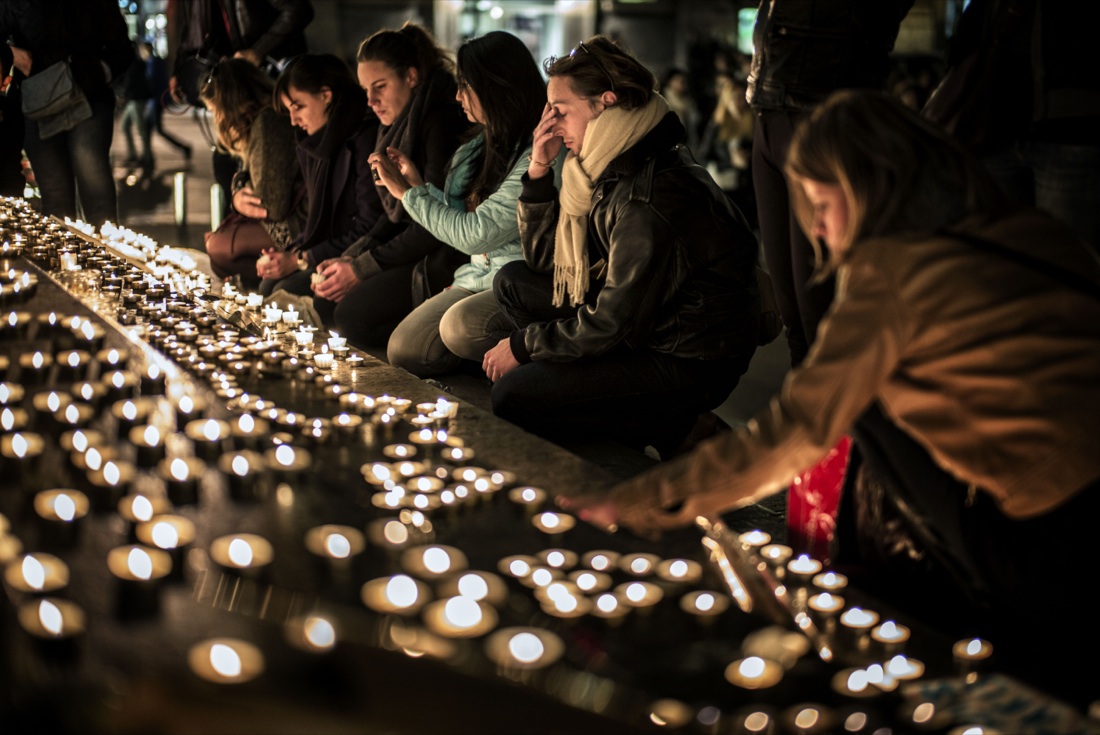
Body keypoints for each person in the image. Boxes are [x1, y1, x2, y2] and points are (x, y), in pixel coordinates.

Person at [562, 90, 1100, 707]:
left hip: (1049, 557)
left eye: (821, 202)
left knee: (856, 400)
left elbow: (797, 429)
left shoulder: (891, 273)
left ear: (873, 181)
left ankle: (933, 597)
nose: (814, 228)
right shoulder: (1025, 231)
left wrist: (638, 503)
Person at [481, 35, 761, 458]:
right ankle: (585, 389)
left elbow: (616, 324)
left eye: (560, 111)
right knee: (512, 282)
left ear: (605, 102)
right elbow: (544, 263)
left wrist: (524, 347)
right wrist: (538, 170)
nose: (550, 123)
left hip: (685, 358)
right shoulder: (606, 162)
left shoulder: (647, 195)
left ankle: (678, 425)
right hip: (647, 324)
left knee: (514, 396)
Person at [747, 0, 915, 367]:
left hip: (821, 111)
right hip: (768, 106)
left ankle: (831, 418)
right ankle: (808, 417)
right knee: (790, 311)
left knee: (818, 311)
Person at [377, 31, 555, 377]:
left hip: (516, 282)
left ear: (494, 87)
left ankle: (516, 355)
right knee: (404, 349)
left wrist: (408, 195)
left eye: (465, 85)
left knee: (458, 327)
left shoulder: (541, 152)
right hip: (476, 276)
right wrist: (418, 187)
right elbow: (460, 217)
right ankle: (485, 356)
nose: (458, 96)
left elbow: (476, 233)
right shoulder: (475, 149)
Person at [306, 23, 469, 349]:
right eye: (366, 89)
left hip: (442, 252)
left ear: (411, 77)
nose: (371, 100)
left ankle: (431, 344)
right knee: (327, 300)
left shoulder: (440, 120)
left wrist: (362, 268)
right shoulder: (396, 126)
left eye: (379, 86)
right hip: (412, 240)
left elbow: (430, 222)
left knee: (352, 315)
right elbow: (396, 214)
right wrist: (352, 258)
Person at [166, 0, 314, 214]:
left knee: (248, 157)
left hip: (264, 78)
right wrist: (178, 69)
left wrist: (258, 51)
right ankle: (236, 218)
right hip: (234, 81)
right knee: (226, 157)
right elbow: (189, 30)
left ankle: (245, 225)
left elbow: (298, 9)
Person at [257, 54, 382, 298]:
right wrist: (290, 255)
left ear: (326, 95)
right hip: (326, 249)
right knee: (268, 286)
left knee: (285, 291)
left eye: (299, 107)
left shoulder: (364, 137)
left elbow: (369, 224)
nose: (294, 120)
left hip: (354, 253)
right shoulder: (315, 142)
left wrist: (300, 259)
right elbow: (317, 220)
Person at [2, 0, 134, 228]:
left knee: (97, 200)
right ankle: (65, 261)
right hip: (38, 101)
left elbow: (121, 49)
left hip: (88, 99)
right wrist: (12, 54)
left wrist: (93, 74)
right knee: (56, 202)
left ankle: (102, 259)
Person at [199, 58, 306, 287]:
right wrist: (239, 190)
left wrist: (236, 220)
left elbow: (271, 205)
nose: (217, 120)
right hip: (285, 221)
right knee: (218, 246)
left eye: (214, 111)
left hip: (298, 225)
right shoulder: (259, 124)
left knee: (218, 248)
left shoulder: (269, 123)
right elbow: (250, 180)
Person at [140, 41, 192, 162]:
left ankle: (184, 147)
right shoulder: (156, 62)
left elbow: (152, 82)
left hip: (155, 101)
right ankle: (147, 155)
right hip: (154, 101)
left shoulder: (152, 62)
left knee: (157, 129)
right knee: (147, 128)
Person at [118, 50, 155, 176]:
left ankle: (147, 157)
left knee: (141, 129)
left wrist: (123, 95)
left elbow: (129, 81)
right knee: (125, 127)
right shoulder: (136, 63)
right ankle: (134, 154)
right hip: (133, 99)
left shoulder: (132, 64)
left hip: (136, 99)